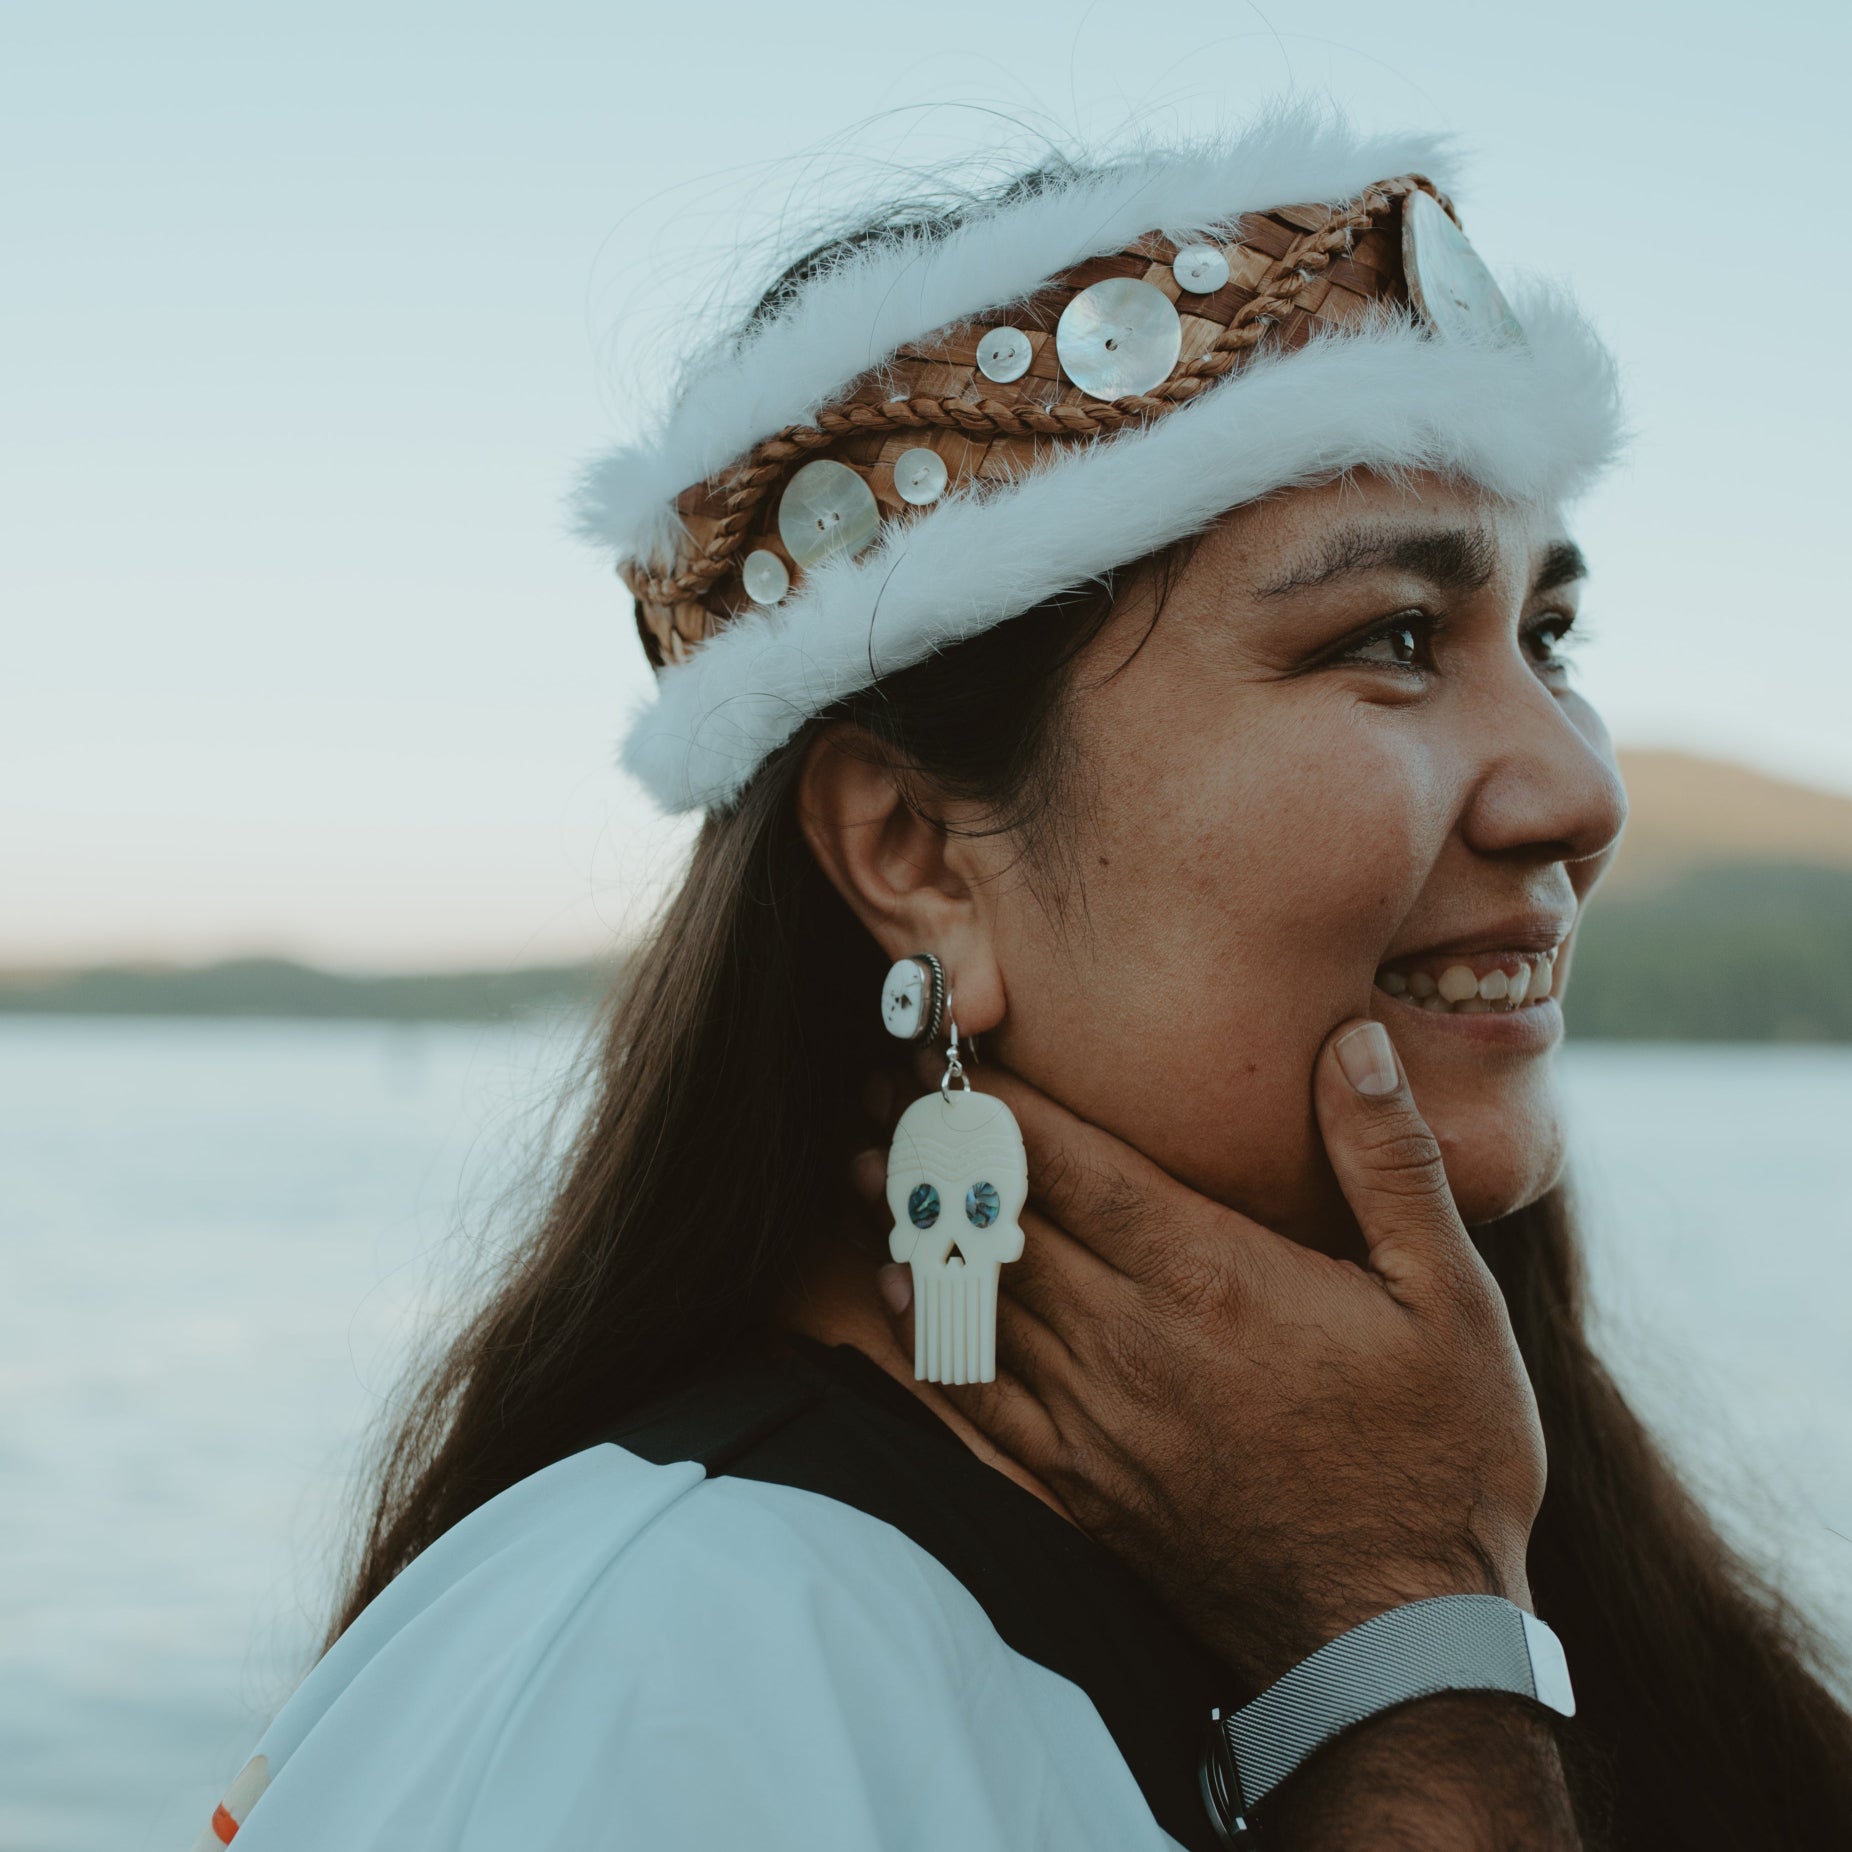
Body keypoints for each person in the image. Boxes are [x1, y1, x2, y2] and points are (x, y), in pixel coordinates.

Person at [197, 113, 1852, 1851]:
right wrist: (1418, 1664)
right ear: (915, 853)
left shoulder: (1475, 1541)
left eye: (1550, 640)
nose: (1581, 794)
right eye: (1391, 640)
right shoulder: (662, 1686)